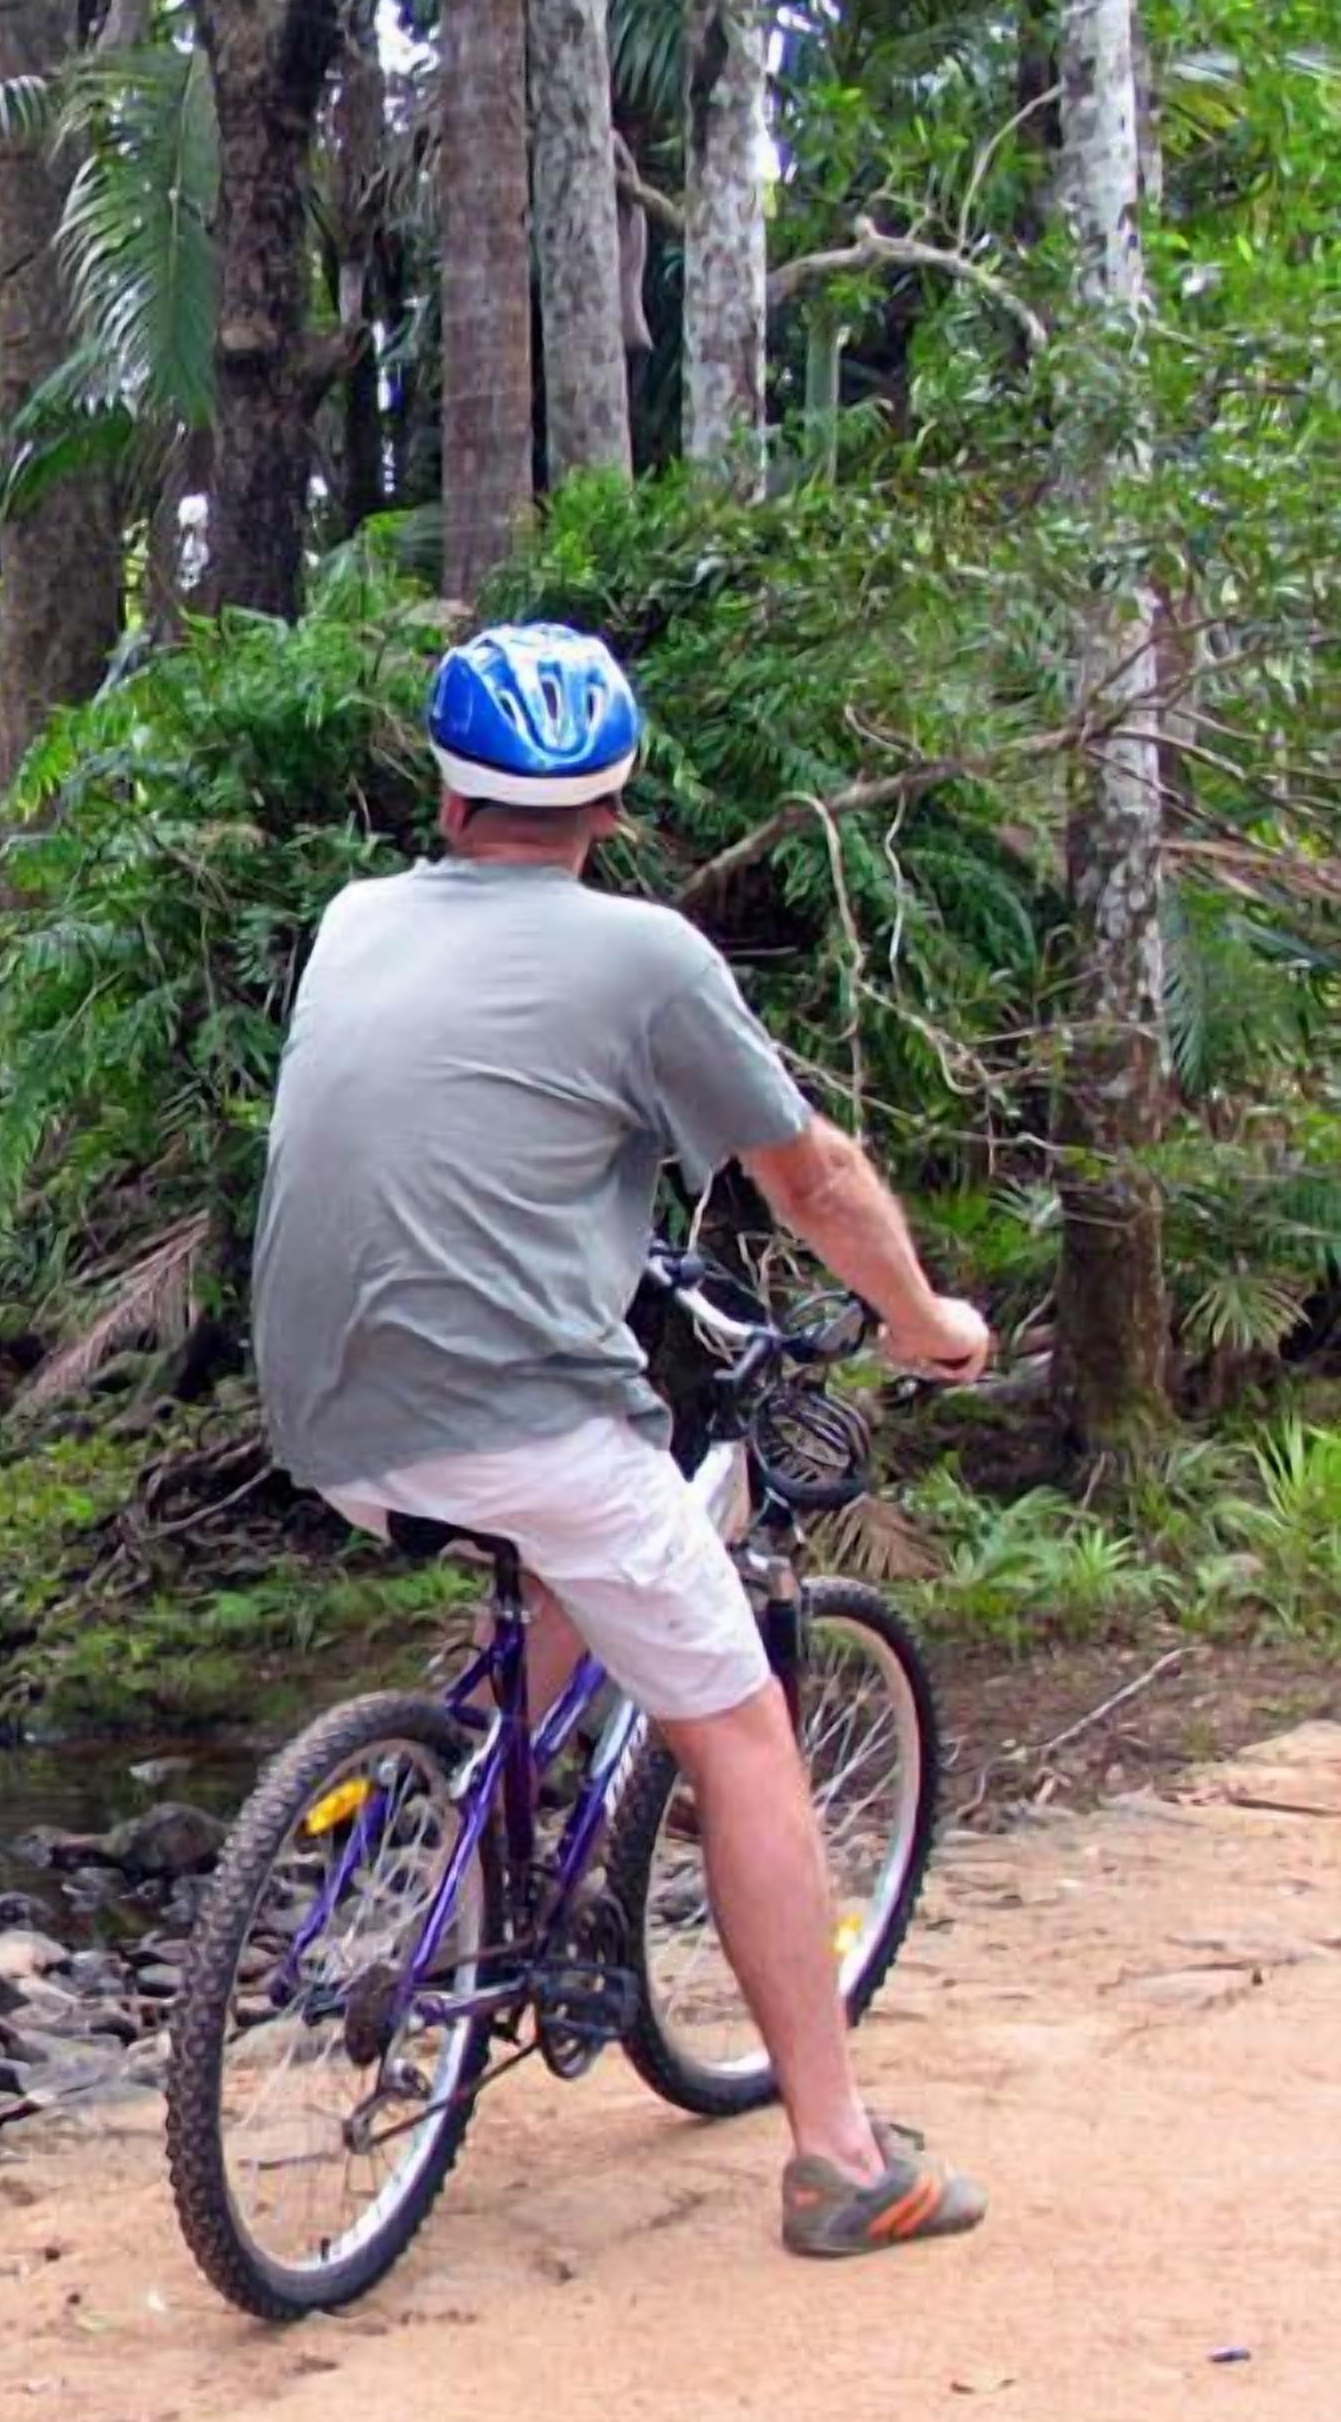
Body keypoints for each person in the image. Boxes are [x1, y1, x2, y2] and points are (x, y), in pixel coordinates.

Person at [250, 621, 996, 2259]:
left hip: (321, 1412)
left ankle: (456, 1812)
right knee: (745, 1741)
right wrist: (925, 1317)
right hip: (519, 1418)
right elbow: (813, 1179)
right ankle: (841, 2159)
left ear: (446, 792)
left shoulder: (356, 918)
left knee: (570, 1557)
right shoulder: (646, 957)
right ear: (614, 799)